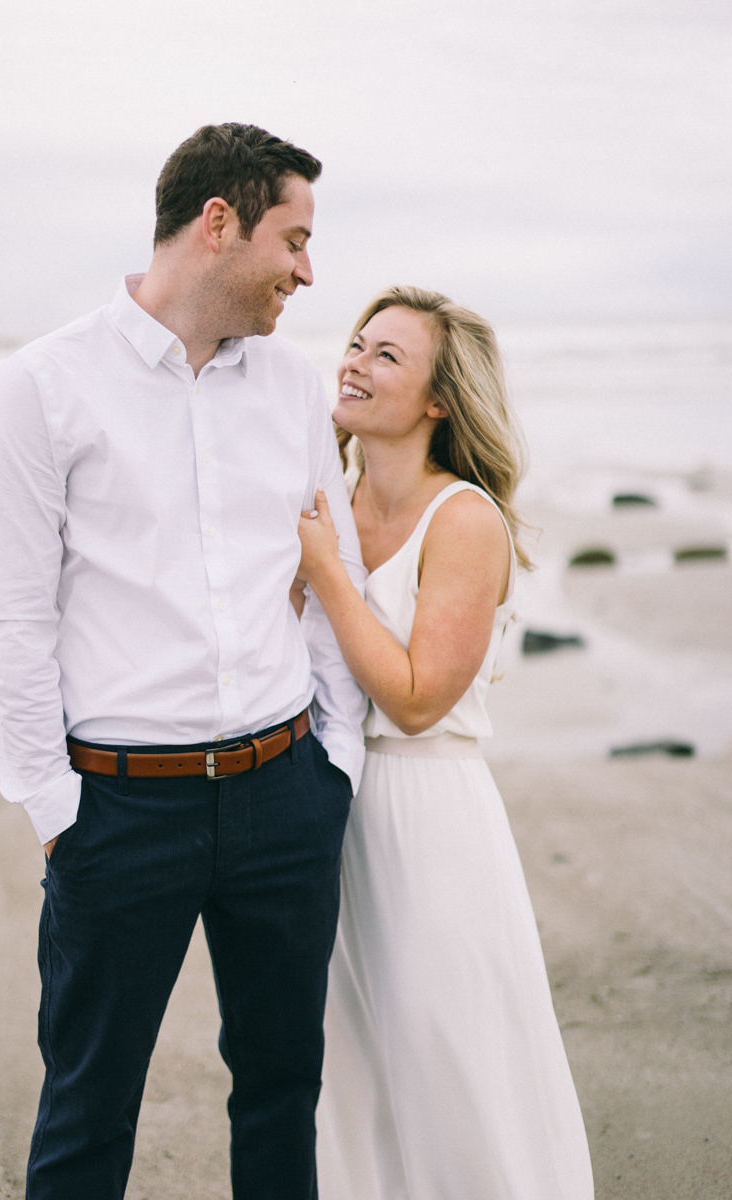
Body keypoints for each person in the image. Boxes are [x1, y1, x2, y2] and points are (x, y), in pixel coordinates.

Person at [0, 123, 367, 1200]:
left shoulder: (291, 389)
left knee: (282, 1089)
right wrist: (56, 811)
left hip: (285, 799)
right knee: (88, 1111)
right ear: (217, 222)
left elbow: (333, 583)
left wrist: (334, 765)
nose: (307, 271)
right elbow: (6, 623)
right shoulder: (42, 387)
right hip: (117, 814)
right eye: (294, 238)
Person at [296, 287, 595, 1199]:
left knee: (448, 1056)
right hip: (326, 805)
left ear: (438, 400)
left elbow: (421, 699)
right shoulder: (328, 500)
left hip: (429, 815)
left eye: (388, 354)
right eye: (356, 343)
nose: (355, 360)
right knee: (352, 1065)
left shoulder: (462, 519)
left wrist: (325, 576)